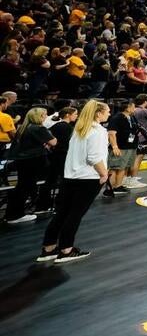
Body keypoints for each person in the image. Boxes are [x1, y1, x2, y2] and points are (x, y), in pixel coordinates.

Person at [38, 100, 110, 263]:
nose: (109, 113)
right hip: (88, 178)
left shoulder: (78, 129)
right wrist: (104, 174)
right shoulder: (97, 131)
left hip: (70, 177)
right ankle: (66, 250)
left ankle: (48, 248)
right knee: (75, 215)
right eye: (107, 111)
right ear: (98, 113)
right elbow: (94, 157)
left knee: (61, 213)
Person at [5, 107, 57, 224]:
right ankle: (15, 215)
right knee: (25, 187)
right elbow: (54, 142)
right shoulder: (38, 128)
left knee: (22, 186)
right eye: (44, 115)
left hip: (22, 160)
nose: (45, 117)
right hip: (33, 160)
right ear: (38, 117)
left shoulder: (23, 128)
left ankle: (13, 213)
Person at [38, 106, 77, 214]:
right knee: (64, 181)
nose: (76, 116)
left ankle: (42, 205)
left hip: (54, 156)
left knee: (51, 180)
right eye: (75, 114)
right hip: (63, 156)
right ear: (68, 115)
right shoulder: (67, 128)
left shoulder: (55, 126)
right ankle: (60, 205)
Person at [105, 99, 138, 197]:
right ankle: (109, 189)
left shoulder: (131, 117)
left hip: (130, 146)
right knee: (115, 167)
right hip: (121, 147)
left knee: (123, 167)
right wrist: (115, 147)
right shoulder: (117, 118)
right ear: (128, 108)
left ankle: (118, 186)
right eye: (133, 106)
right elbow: (111, 133)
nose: (134, 108)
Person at [128, 94, 147, 188]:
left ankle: (129, 177)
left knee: (133, 158)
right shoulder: (143, 110)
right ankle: (132, 180)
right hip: (143, 138)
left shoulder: (135, 110)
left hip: (136, 137)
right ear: (145, 101)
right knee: (138, 159)